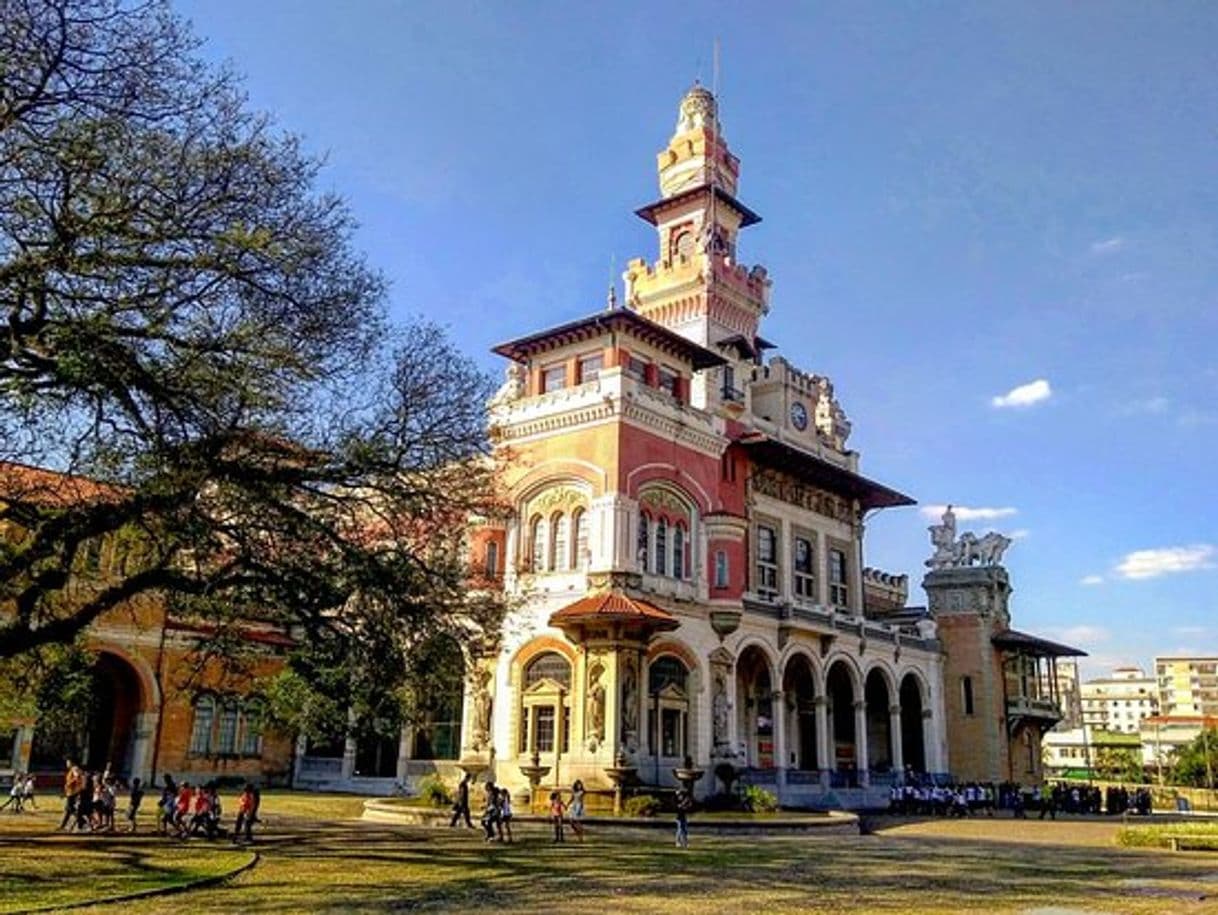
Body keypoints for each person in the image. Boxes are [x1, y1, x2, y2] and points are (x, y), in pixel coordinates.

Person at [59, 759, 84, 831]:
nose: (67, 764)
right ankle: (62, 825)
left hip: (73, 792)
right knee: (69, 809)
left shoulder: (74, 768)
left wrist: (69, 783)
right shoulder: (73, 769)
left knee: (69, 809)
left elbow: (77, 777)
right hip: (71, 792)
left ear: (72, 763)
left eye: (68, 762)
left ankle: (82, 821)